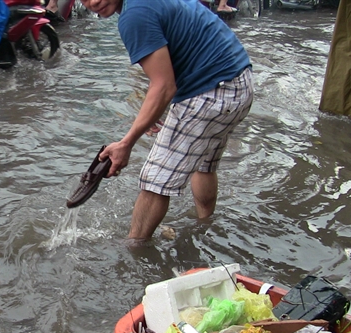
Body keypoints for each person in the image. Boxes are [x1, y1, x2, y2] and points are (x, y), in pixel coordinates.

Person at [79, 0, 254, 240]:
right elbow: (174, 64)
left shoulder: (134, 15)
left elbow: (163, 86)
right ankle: (205, 227)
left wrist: (126, 142)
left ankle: (134, 251)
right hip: (239, 81)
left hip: (211, 92)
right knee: (204, 163)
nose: (93, 2)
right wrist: (156, 109)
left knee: (155, 180)